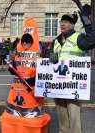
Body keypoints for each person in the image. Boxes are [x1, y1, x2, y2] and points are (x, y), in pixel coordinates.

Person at [49, 3, 95, 133]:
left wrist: (88, 23)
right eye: (62, 21)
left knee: (74, 119)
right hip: (58, 86)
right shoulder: (56, 41)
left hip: (73, 86)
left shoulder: (78, 37)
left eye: (66, 22)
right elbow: (49, 62)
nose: (63, 24)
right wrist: (50, 57)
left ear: (72, 25)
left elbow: (92, 40)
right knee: (62, 119)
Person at [0, 17, 50, 133]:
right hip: (18, 89)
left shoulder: (38, 55)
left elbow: (43, 71)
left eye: (28, 41)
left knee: (31, 116)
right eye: (24, 41)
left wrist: (35, 79)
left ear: (32, 42)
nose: (25, 43)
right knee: (17, 115)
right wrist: (12, 69)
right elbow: (15, 68)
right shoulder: (18, 55)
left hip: (32, 90)